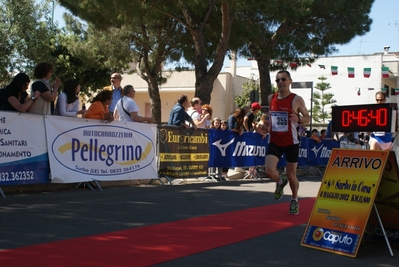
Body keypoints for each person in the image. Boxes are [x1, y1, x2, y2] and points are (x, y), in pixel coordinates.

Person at [265, 70, 310, 215]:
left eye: (283, 79)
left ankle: (294, 199)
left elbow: (307, 118)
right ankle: (279, 181)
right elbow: (270, 116)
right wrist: (265, 124)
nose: (280, 82)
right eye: (278, 80)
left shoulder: (296, 99)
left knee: (292, 176)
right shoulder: (271, 97)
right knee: (269, 171)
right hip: (275, 141)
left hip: (291, 142)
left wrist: (299, 119)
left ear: (290, 81)